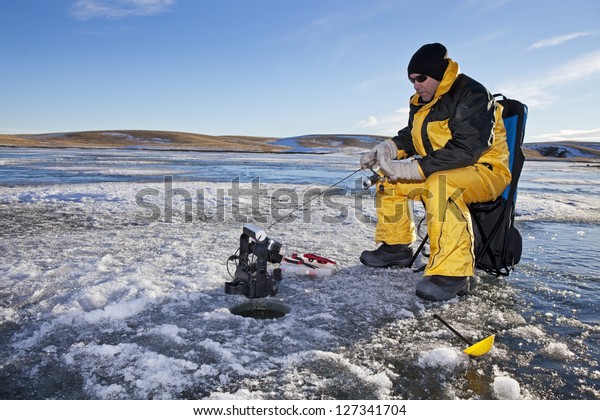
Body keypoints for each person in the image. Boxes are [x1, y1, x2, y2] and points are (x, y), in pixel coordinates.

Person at [360, 43, 511, 302]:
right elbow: (412, 137)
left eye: (421, 78)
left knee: (441, 186)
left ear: (439, 74)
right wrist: (387, 149)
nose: (415, 85)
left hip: (484, 171)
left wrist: (414, 168)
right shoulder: (421, 102)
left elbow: (467, 148)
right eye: (411, 80)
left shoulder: (471, 93)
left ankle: (453, 274)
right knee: (389, 182)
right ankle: (396, 247)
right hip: (443, 168)